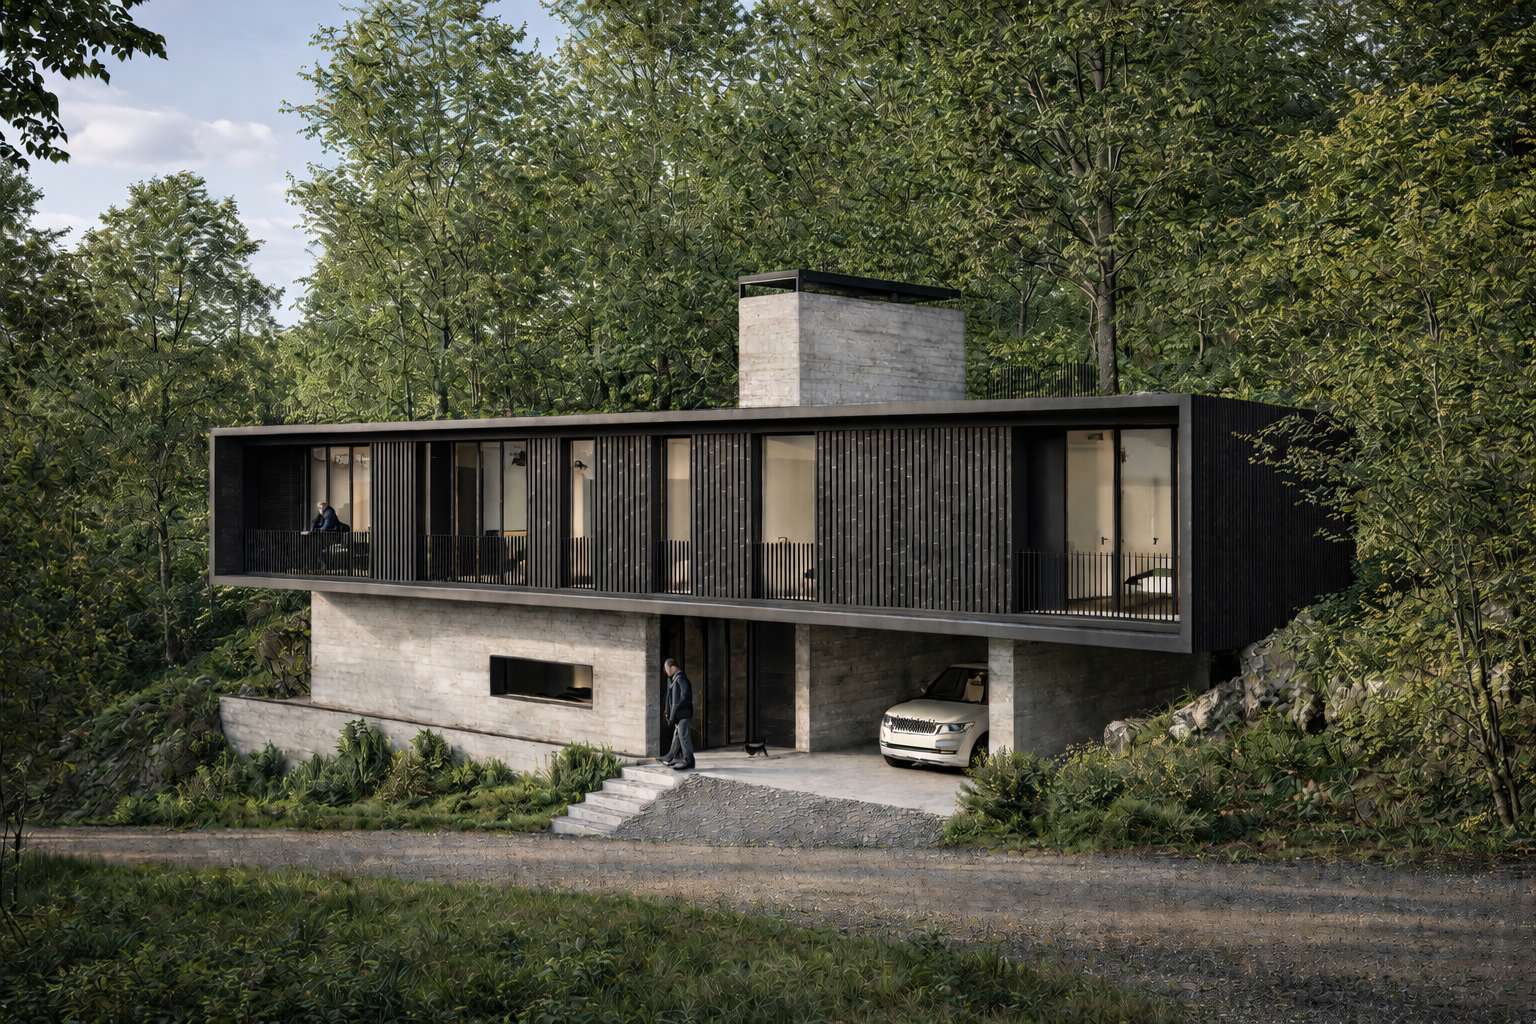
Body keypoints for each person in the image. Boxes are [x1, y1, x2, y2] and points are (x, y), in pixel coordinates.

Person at [659, 657, 695, 770]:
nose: (666, 671)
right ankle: (669, 756)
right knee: (678, 735)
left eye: (666, 668)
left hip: (683, 714)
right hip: (681, 714)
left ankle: (689, 761)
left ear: (671, 667)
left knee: (684, 735)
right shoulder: (676, 678)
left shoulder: (680, 678)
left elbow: (685, 696)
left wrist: (676, 708)